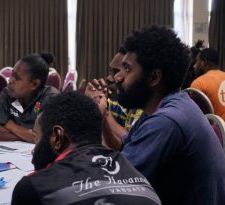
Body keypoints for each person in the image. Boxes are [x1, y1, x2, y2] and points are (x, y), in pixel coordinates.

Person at [88, 26, 225, 205]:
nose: (117, 78)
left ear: (154, 77)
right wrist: (103, 114)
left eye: (127, 69)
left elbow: (111, 182)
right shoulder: (168, 106)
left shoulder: (167, 122)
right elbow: (124, 147)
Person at [11, 92, 161, 205]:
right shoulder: (133, 171)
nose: (33, 151)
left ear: (57, 137)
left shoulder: (34, 187)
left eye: (36, 139)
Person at [0, 52, 59, 142]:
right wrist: (28, 136)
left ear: (34, 84)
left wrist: (10, 125)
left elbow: (46, 139)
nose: (10, 80)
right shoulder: (8, 92)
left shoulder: (51, 98)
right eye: (12, 74)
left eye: (16, 78)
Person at [88, 47, 143, 131]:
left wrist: (104, 112)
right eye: (111, 71)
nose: (109, 78)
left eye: (117, 72)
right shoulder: (113, 103)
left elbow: (129, 140)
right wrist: (89, 103)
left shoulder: (145, 107)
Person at [191, 48, 225, 120]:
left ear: (204, 62)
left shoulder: (198, 83)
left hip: (217, 130)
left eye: (197, 61)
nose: (194, 66)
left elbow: (195, 118)